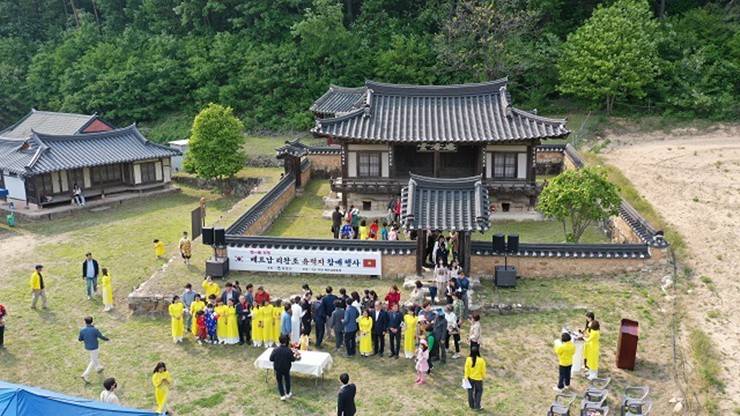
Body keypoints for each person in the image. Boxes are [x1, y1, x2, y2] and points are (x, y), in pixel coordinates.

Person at [78, 316, 109, 383]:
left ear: (85, 322)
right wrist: (107, 339)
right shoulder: (94, 329)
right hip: (94, 347)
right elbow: (101, 336)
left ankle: (98, 368)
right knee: (93, 360)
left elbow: (80, 339)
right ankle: (85, 374)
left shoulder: (82, 330)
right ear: (92, 321)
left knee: (94, 357)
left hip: (87, 347)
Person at [269, 334, 296, 400]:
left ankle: (282, 395)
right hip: (286, 368)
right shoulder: (288, 350)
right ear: (286, 341)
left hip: (278, 368)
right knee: (287, 380)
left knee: (279, 381)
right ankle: (288, 393)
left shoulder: (275, 350)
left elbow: (271, 359)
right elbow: (292, 359)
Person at [464, 345, 487, 411]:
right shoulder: (481, 360)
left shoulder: (468, 359)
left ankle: (471, 405)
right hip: (478, 379)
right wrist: (483, 377)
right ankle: (477, 406)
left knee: (470, 391)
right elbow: (483, 370)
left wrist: (466, 377)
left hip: (470, 378)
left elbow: (466, 369)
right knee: (479, 391)